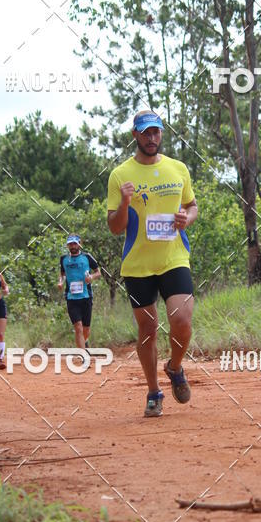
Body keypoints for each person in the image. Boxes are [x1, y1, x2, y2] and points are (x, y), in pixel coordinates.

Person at [107, 110, 198, 417]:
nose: (151, 138)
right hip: (138, 265)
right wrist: (124, 204)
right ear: (135, 135)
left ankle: (174, 368)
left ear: (162, 134)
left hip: (174, 257)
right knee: (147, 329)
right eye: (145, 133)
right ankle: (153, 392)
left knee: (182, 319)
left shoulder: (178, 168)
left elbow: (192, 206)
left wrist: (187, 219)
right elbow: (115, 227)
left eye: (156, 132)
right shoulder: (120, 175)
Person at [58, 235, 101, 348]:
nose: (72, 246)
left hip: (86, 296)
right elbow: (62, 274)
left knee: (86, 329)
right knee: (78, 327)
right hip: (71, 298)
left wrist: (91, 277)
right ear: (68, 245)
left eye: (74, 243)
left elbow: (98, 272)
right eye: (70, 244)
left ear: (79, 244)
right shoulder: (64, 259)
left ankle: (84, 342)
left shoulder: (87, 257)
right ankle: (83, 357)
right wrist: (61, 282)